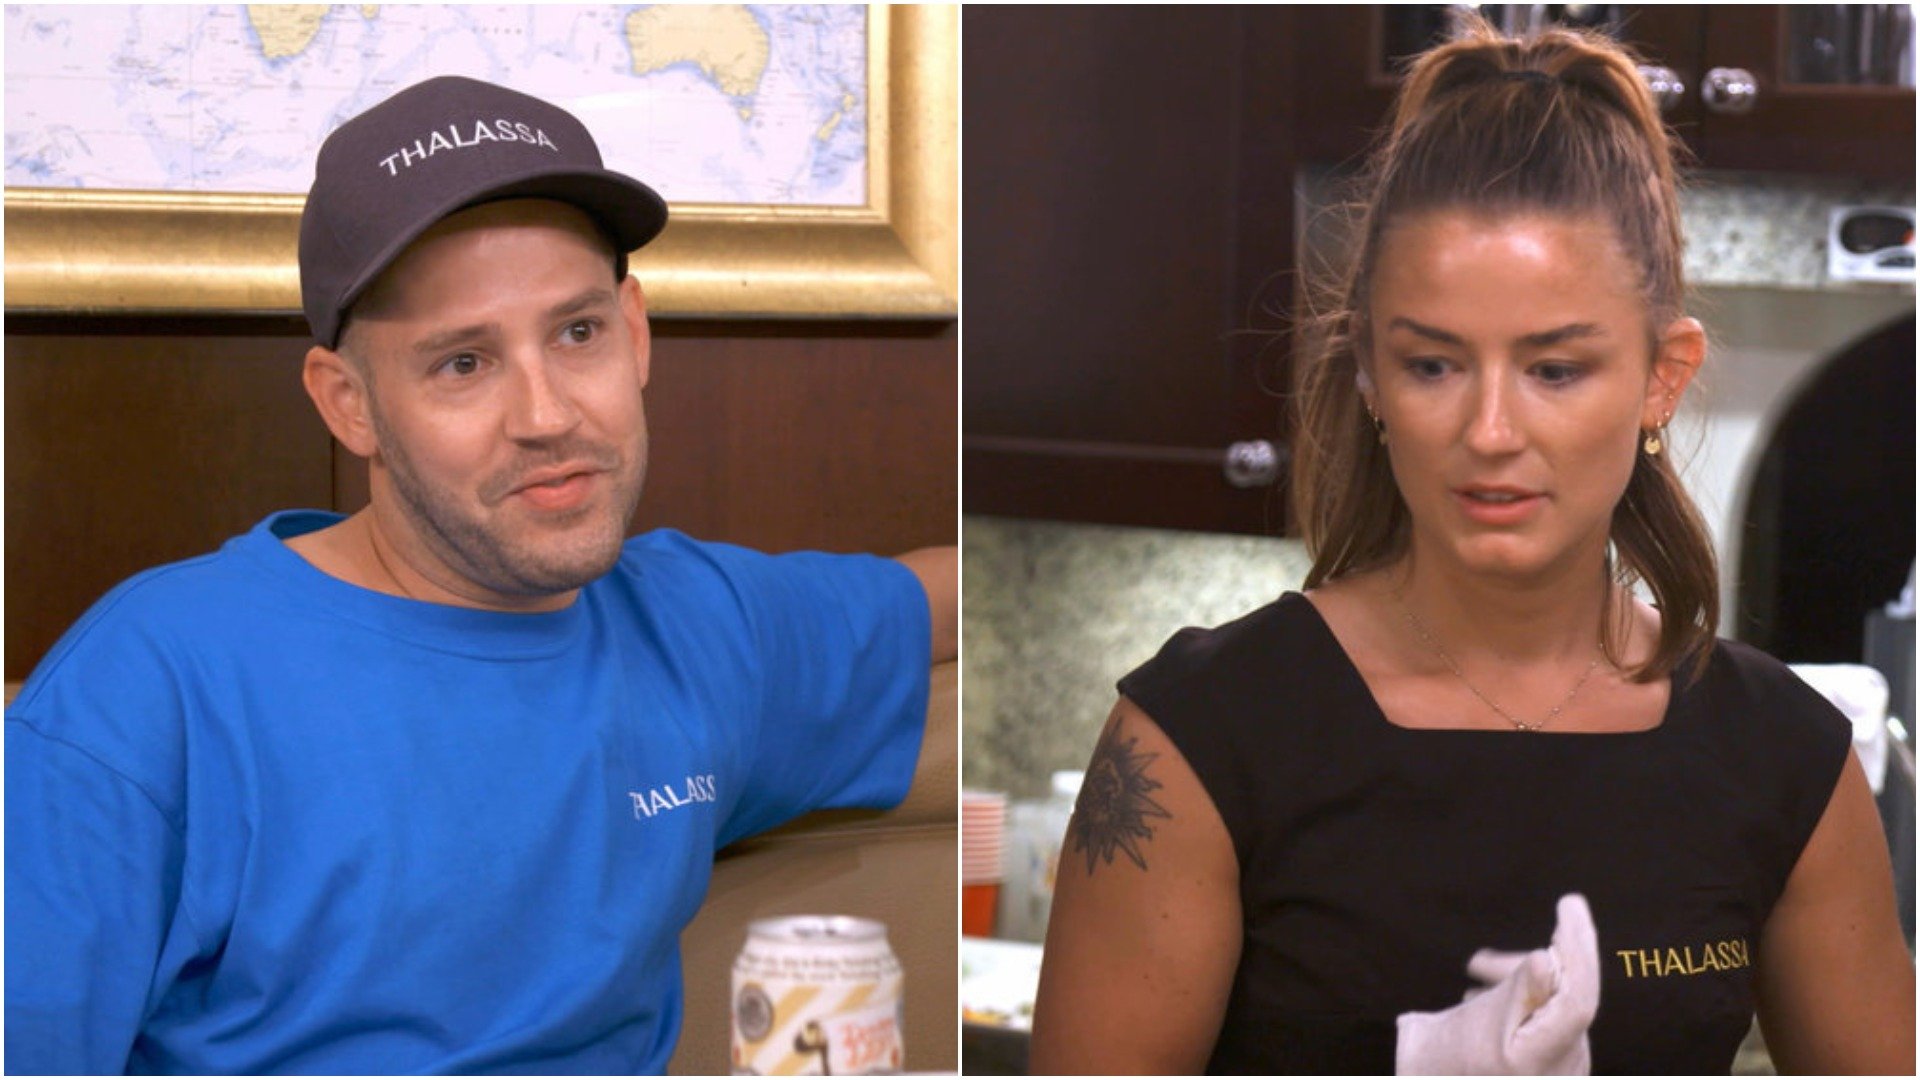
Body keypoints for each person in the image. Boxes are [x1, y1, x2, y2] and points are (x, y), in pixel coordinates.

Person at [6, 75, 956, 1074]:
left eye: (576, 333)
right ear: (349, 404)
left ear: (634, 333)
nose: (547, 416)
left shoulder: (706, 625)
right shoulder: (149, 688)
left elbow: (939, 598)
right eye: (463, 362)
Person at [1030, 17, 1913, 1076]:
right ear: (1367, 371)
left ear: (1662, 377)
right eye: (1435, 365)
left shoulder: (1788, 764)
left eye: (1555, 370)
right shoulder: (1198, 740)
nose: (1490, 432)